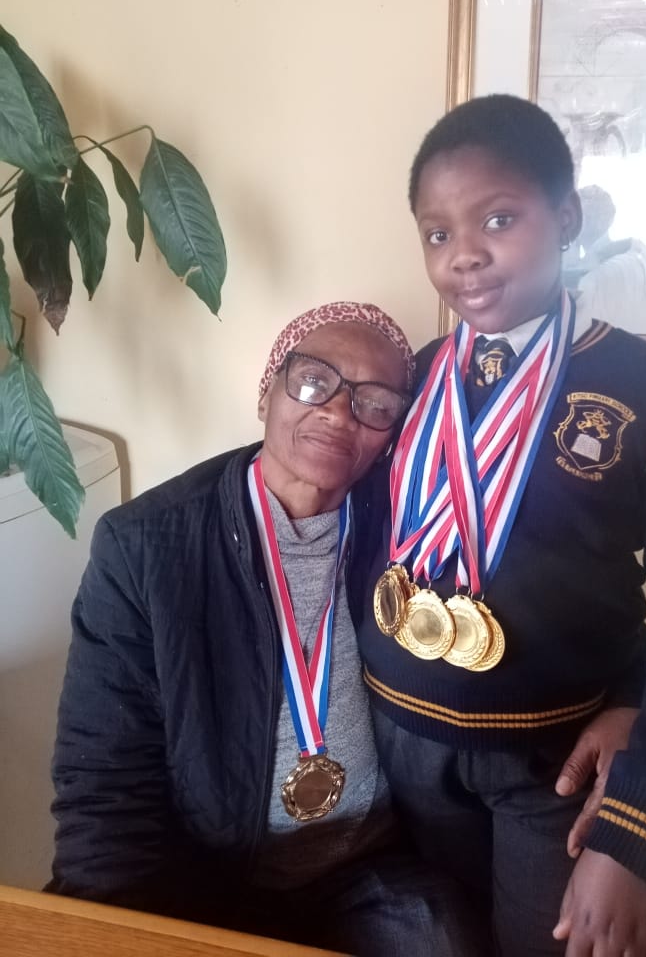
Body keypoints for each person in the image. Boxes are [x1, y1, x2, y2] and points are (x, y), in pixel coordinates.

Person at [356, 96, 646, 956]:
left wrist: (640, 828)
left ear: (566, 217)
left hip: (554, 768)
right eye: (437, 233)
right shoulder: (411, 382)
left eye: (498, 219)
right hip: (398, 752)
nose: (465, 254)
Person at [49, 301, 476, 957]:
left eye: (375, 404)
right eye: (314, 381)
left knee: (441, 939)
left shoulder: (416, 531)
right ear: (266, 391)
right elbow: (103, 783)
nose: (339, 413)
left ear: (394, 432)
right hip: (210, 876)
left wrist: (620, 703)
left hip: (371, 866)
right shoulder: (144, 547)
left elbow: (542, 597)